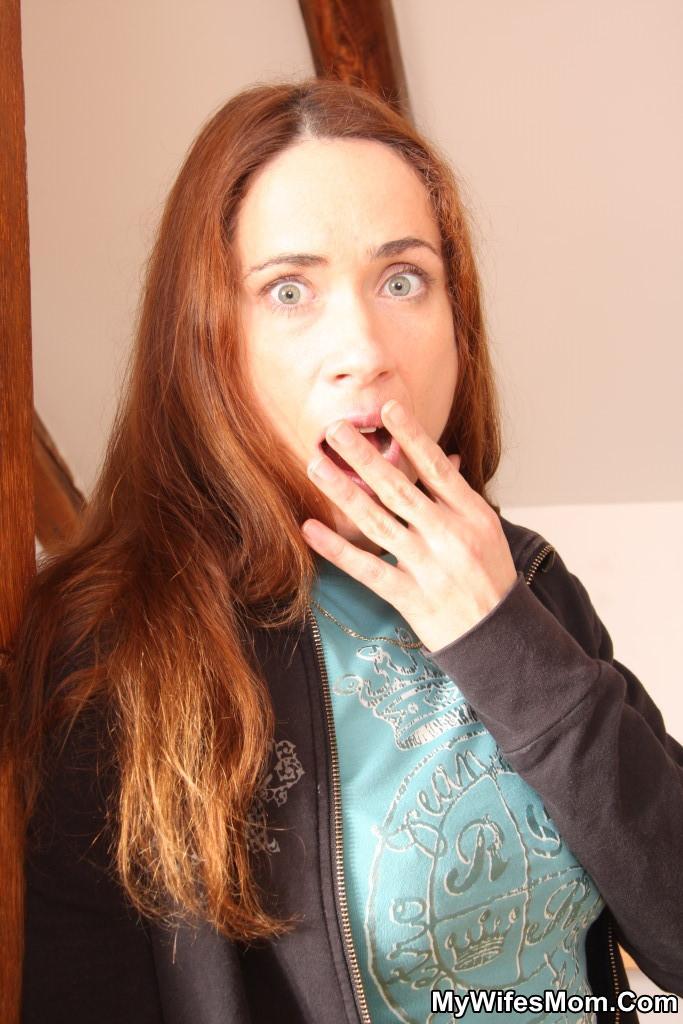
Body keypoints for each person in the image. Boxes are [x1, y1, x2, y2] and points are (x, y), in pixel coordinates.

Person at [10, 77, 682, 1024]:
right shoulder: (109, 646)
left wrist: (503, 637)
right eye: (288, 291)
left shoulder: (523, 576)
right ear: (207, 343)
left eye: (402, 279)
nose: (364, 349)